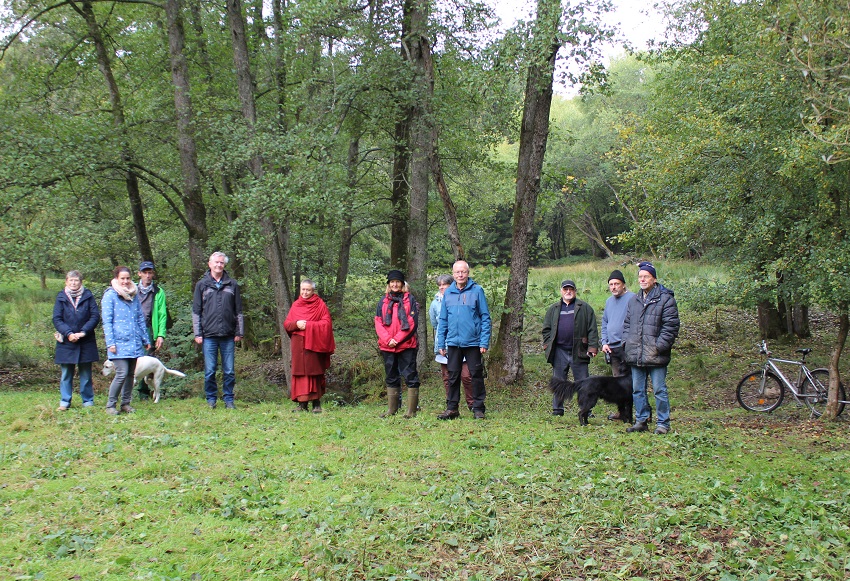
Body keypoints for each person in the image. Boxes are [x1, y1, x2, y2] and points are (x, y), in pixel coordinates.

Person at [623, 261, 680, 435]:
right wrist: (626, 343)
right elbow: (627, 325)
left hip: (656, 354)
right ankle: (641, 420)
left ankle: (663, 423)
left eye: (646, 276)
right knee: (637, 390)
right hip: (636, 354)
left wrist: (659, 346)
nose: (642, 280)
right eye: (640, 277)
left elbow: (671, 326)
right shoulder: (634, 300)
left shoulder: (666, 299)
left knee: (659, 390)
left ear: (654, 279)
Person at [436, 260, 491, 420]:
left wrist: (484, 341)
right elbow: (443, 320)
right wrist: (441, 342)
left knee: (476, 375)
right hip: (453, 342)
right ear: (453, 274)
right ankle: (452, 408)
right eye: (457, 272)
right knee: (452, 376)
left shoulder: (477, 290)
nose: (460, 275)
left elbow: (485, 317)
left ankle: (478, 408)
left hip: (473, 342)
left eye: (463, 272)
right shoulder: (448, 293)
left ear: (468, 273)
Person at [193, 251, 243, 409]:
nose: (219, 265)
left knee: (229, 370)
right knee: (210, 370)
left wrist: (239, 332)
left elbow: (239, 311)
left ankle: (229, 399)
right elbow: (196, 311)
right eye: (216, 262)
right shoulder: (201, 285)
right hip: (208, 335)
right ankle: (211, 399)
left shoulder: (232, 284)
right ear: (210, 264)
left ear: (225, 265)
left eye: (221, 263)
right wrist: (197, 333)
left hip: (228, 335)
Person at [542, 279, 599, 416]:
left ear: (575, 291)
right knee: (559, 381)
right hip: (559, 351)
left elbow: (592, 329)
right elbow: (546, 329)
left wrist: (592, 347)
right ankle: (557, 409)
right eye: (565, 289)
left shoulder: (585, 308)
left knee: (583, 382)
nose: (568, 292)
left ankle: (586, 409)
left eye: (571, 289)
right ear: (561, 291)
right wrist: (547, 344)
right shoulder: (553, 309)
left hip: (579, 350)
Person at [102, 266, 151, 415]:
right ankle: (110, 405)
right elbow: (107, 321)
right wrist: (110, 343)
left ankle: (125, 404)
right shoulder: (110, 295)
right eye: (122, 278)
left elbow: (139, 318)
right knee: (121, 373)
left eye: (128, 278)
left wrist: (145, 339)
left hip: (134, 342)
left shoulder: (134, 295)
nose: (125, 281)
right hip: (118, 342)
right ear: (116, 278)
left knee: (130, 374)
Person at [284, 279, 335, 413]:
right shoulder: (296, 305)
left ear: (313, 291)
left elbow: (326, 324)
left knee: (314, 372)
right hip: (298, 345)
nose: (305, 292)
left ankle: (316, 404)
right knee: (300, 373)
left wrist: (308, 325)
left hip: (314, 344)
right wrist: (296, 324)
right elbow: (287, 324)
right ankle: (302, 405)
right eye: (303, 290)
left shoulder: (320, 305)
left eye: (308, 290)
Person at [375, 270, 420, 418]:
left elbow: (412, 323)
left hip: (406, 344)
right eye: (392, 282)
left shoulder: (410, 300)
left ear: (402, 284)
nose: (394, 284)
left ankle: (411, 411)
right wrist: (389, 340)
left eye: (397, 282)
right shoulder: (383, 301)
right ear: (388, 284)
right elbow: (378, 322)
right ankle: (392, 409)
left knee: (410, 375)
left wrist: (398, 339)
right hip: (387, 345)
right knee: (391, 375)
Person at [53, 270, 100, 411]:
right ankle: (65, 402)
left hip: (86, 340)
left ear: (81, 282)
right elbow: (57, 318)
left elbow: (95, 316)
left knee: (86, 374)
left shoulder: (88, 296)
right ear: (66, 282)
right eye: (71, 280)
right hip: (66, 341)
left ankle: (88, 401)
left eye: (76, 280)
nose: (73, 283)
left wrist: (83, 332)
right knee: (66, 374)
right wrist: (68, 333)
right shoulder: (61, 297)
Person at [429, 274, 474, 410]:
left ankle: (472, 403)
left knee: (466, 376)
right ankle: (451, 404)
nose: (442, 287)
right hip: (444, 344)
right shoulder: (435, 303)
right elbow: (435, 323)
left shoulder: (461, 296)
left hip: (463, 343)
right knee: (448, 377)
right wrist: (441, 342)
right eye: (440, 285)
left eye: (445, 285)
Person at [600, 269, 636, 420]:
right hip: (612, 348)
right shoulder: (609, 301)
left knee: (633, 382)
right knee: (618, 384)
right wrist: (604, 342)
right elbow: (604, 323)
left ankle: (642, 413)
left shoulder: (633, 298)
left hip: (628, 347)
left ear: (623, 285)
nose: (614, 287)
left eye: (617, 284)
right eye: (611, 284)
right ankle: (622, 413)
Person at [136, 260, 167, 400]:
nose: (147, 276)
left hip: (149, 328)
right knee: (133, 359)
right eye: (145, 273)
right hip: (133, 329)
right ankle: (129, 390)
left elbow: (162, 314)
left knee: (147, 360)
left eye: (150, 273)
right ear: (139, 274)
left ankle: (145, 392)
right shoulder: (132, 290)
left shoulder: (158, 292)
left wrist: (161, 334)